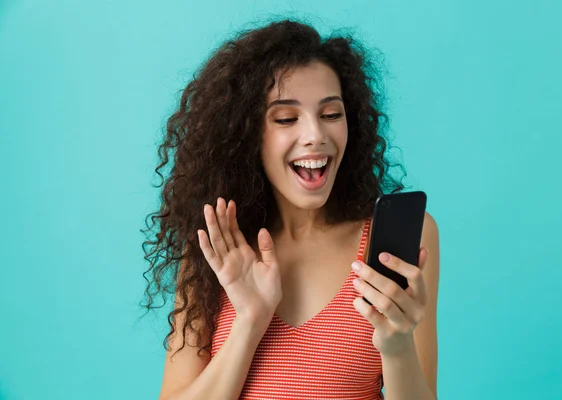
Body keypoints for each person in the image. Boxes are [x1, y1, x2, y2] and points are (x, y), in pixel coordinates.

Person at [141, 18, 440, 400]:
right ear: (247, 134)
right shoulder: (218, 246)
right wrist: (248, 322)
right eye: (286, 118)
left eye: (331, 114)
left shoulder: (402, 240)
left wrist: (397, 345)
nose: (315, 135)